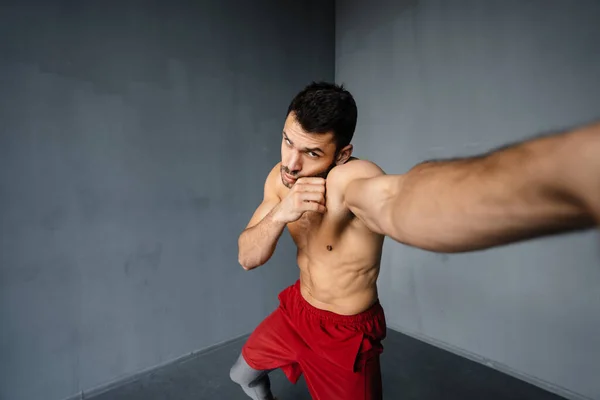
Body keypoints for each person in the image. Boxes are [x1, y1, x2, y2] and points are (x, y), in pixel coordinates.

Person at [229, 81, 600, 400]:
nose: (291, 163)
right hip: (296, 311)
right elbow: (248, 256)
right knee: (241, 375)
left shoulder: (349, 181)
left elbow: (397, 202)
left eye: (311, 153)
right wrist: (280, 212)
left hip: (344, 335)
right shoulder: (281, 181)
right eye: (287, 142)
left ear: (342, 154)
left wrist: (563, 179)